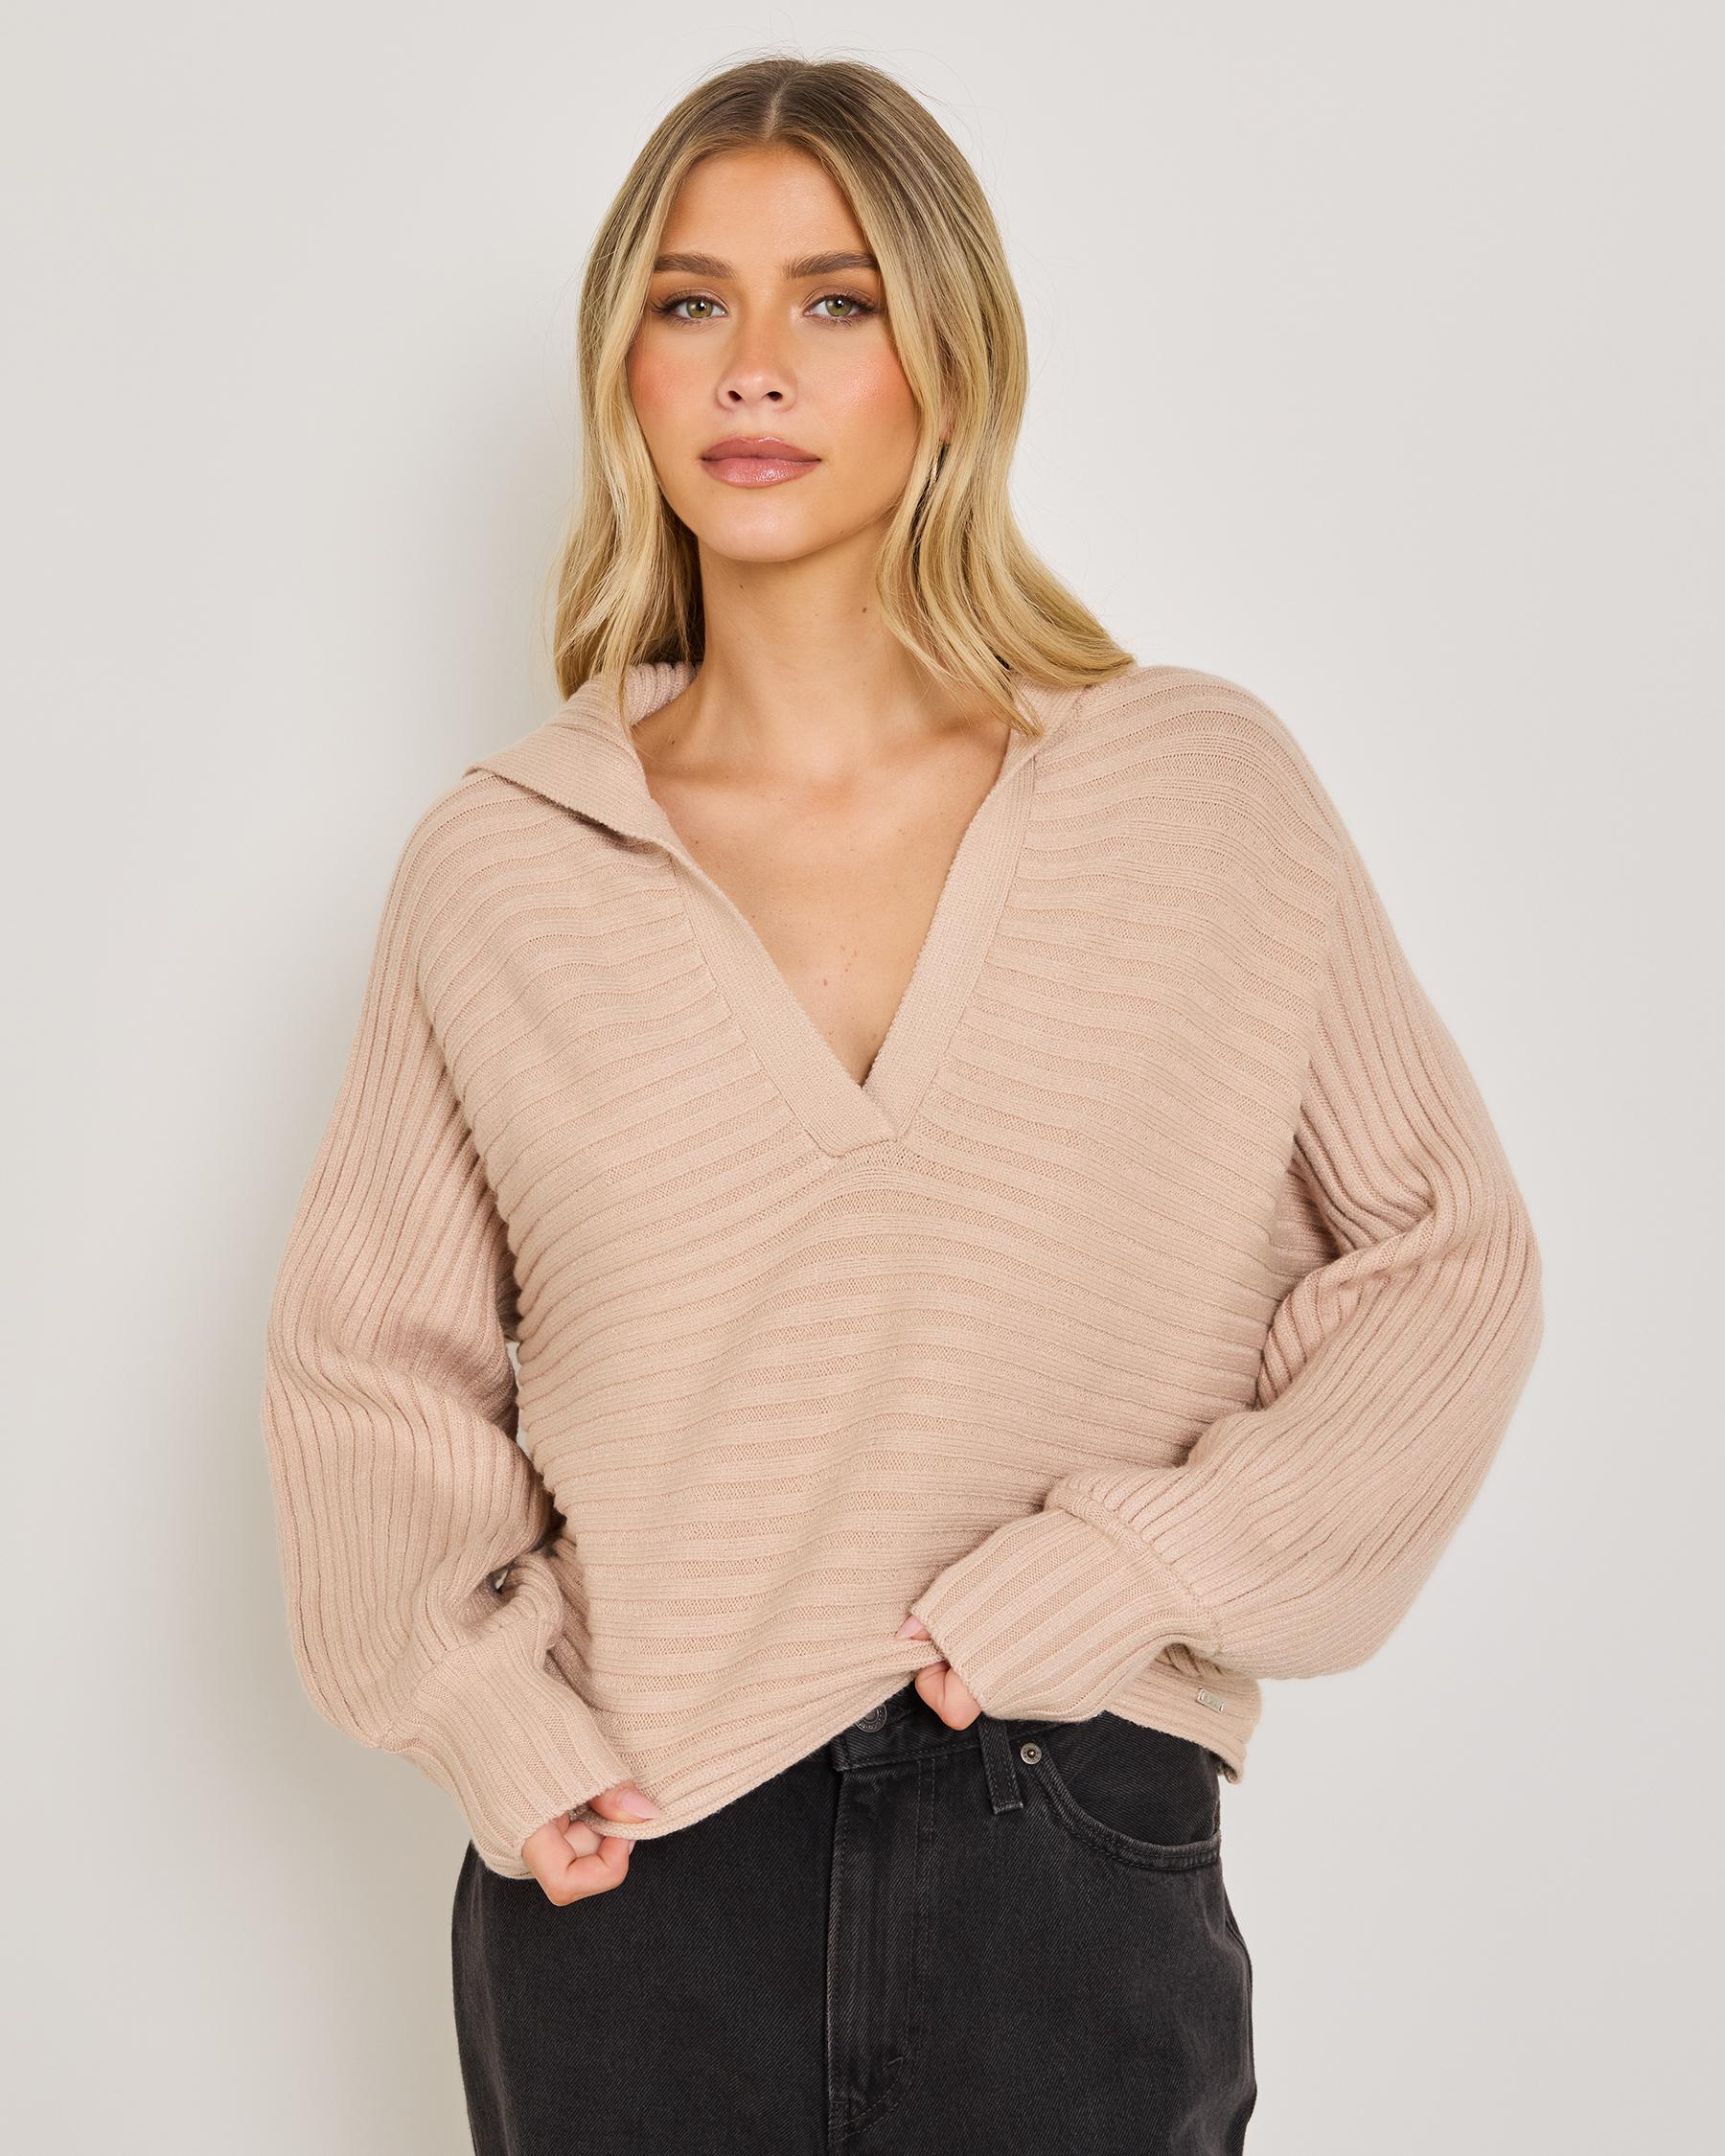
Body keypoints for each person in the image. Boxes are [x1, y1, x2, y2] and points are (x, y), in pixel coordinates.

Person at [259, 53, 1544, 2156]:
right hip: (639, 1869)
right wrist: (492, 1717)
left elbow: (1446, 1267)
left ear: (949, 353)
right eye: (690, 302)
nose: (752, 365)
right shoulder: (504, 864)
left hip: (1065, 1827)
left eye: (834, 300)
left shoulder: (1194, 792)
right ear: (624, 369)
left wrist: (1142, 1561)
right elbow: (367, 1371)